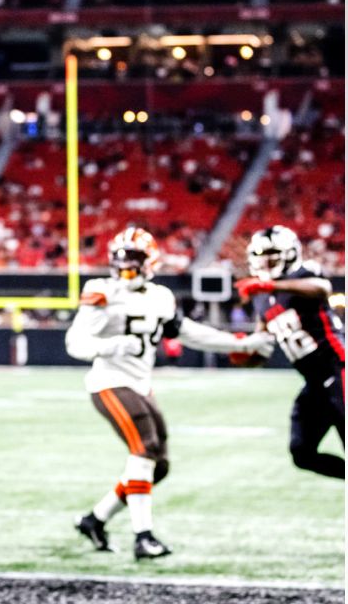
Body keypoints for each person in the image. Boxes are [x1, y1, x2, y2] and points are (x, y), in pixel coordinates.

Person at [65, 227, 275, 559]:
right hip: (109, 382)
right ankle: (143, 536)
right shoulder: (101, 292)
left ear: (150, 263)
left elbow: (189, 333)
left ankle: (95, 519)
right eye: (121, 261)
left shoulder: (160, 297)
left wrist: (242, 342)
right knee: (144, 449)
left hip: (140, 384)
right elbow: (75, 343)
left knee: (158, 465)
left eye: (133, 260)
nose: (126, 268)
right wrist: (113, 345)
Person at [236, 225, 346, 478]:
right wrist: (244, 355)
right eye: (261, 256)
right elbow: (261, 346)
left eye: (272, 255)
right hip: (314, 382)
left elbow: (321, 288)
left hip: (339, 367)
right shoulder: (262, 296)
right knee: (302, 452)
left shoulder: (303, 274)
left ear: (290, 254)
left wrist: (270, 286)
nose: (265, 261)